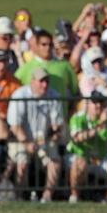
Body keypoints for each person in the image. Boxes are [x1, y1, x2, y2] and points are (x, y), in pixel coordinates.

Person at [7, 67, 64, 202]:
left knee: (55, 161)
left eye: (47, 81)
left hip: (44, 140)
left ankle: (47, 196)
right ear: (32, 81)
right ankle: (20, 196)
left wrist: (54, 136)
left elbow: (57, 125)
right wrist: (27, 143)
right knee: (22, 161)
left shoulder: (54, 95)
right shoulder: (19, 95)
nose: (44, 85)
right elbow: (15, 126)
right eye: (41, 81)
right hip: (20, 140)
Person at [67, 96, 107, 203]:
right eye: (94, 102)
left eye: (100, 103)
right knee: (79, 163)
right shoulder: (78, 117)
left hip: (101, 158)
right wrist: (99, 126)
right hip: (82, 156)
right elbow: (77, 138)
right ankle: (75, 196)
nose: (98, 105)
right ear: (88, 104)